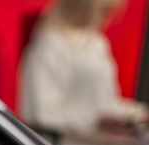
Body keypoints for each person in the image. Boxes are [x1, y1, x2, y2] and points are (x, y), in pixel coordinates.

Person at [20, 0, 148, 135]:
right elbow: (41, 115)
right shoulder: (50, 45)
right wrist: (94, 122)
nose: (110, 19)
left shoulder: (98, 43)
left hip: (102, 143)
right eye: (104, 12)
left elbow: (106, 104)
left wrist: (137, 114)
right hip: (69, 143)